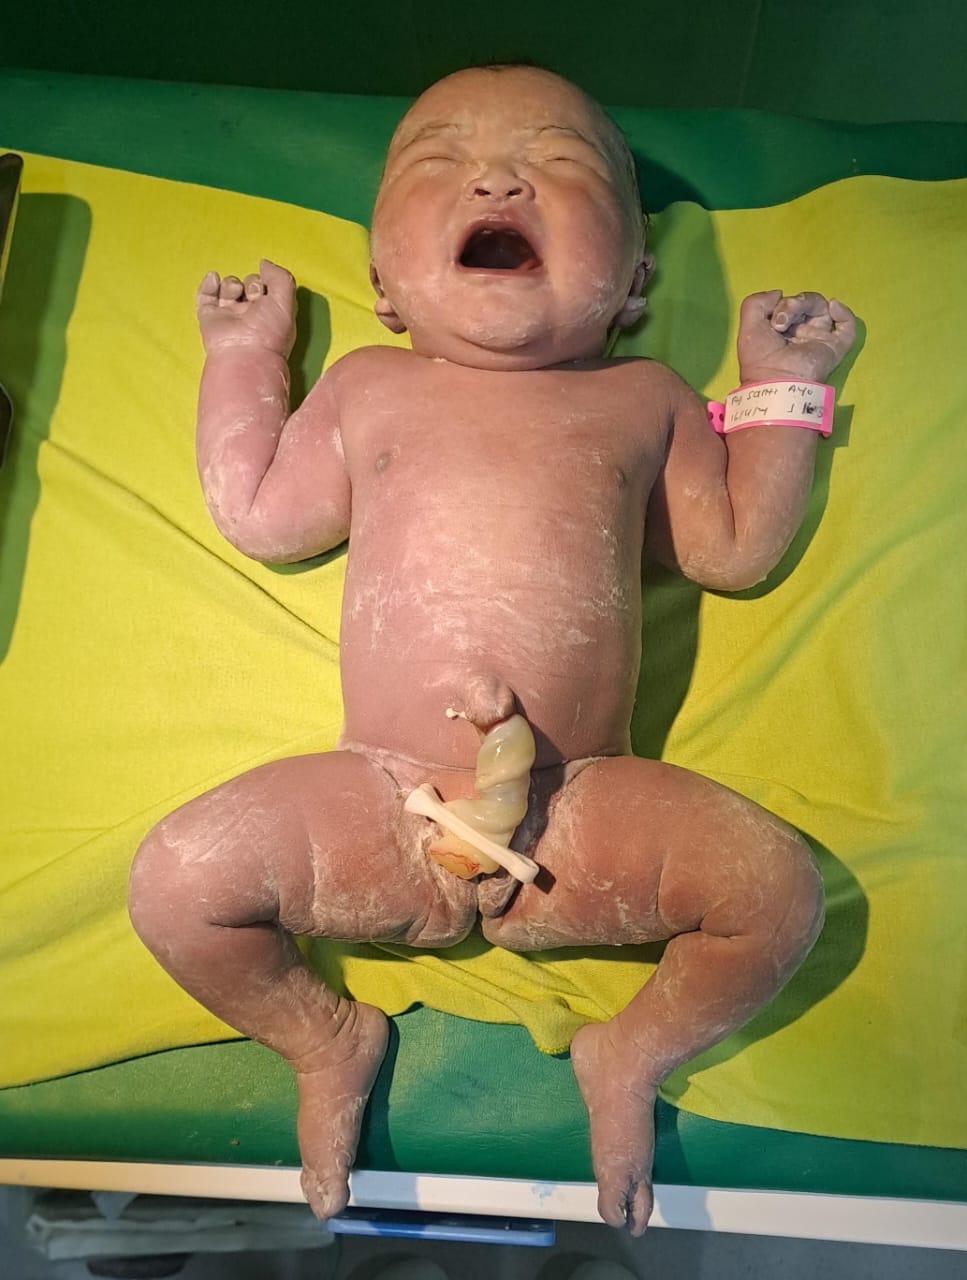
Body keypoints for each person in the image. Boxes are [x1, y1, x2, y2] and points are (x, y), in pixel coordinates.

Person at [128, 63, 856, 1237]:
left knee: (777, 894)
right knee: (175, 883)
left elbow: (731, 549)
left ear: (632, 282)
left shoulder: (642, 397)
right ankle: (323, 1036)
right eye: (443, 162)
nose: (498, 179)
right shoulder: (369, 387)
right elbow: (257, 510)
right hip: (380, 794)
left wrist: (782, 387)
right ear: (383, 285)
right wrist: (247, 356)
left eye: (558, 163)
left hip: (581, 805)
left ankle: (633, 1049)